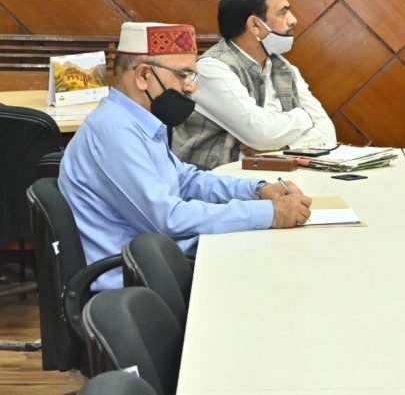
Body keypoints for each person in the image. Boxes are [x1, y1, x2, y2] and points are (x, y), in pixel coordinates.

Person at [59, 22, 312, 290]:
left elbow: (185, 180)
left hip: (160, 264)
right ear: (143, 75)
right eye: (184, 75)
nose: (191, 88)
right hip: (136, 285)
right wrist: (269, 214)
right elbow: (168, 218)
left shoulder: (136, 122)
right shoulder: (113, 132)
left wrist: (257, 190)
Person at [172, 0, 336, 170]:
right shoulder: (211, 69)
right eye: (283, 12)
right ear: (255, 25)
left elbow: (328, 133)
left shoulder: (284, 68)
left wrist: (284, 147)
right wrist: (305, 116)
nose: (293, 20)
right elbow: (261, 134)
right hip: (215, 182)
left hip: (272, 178)